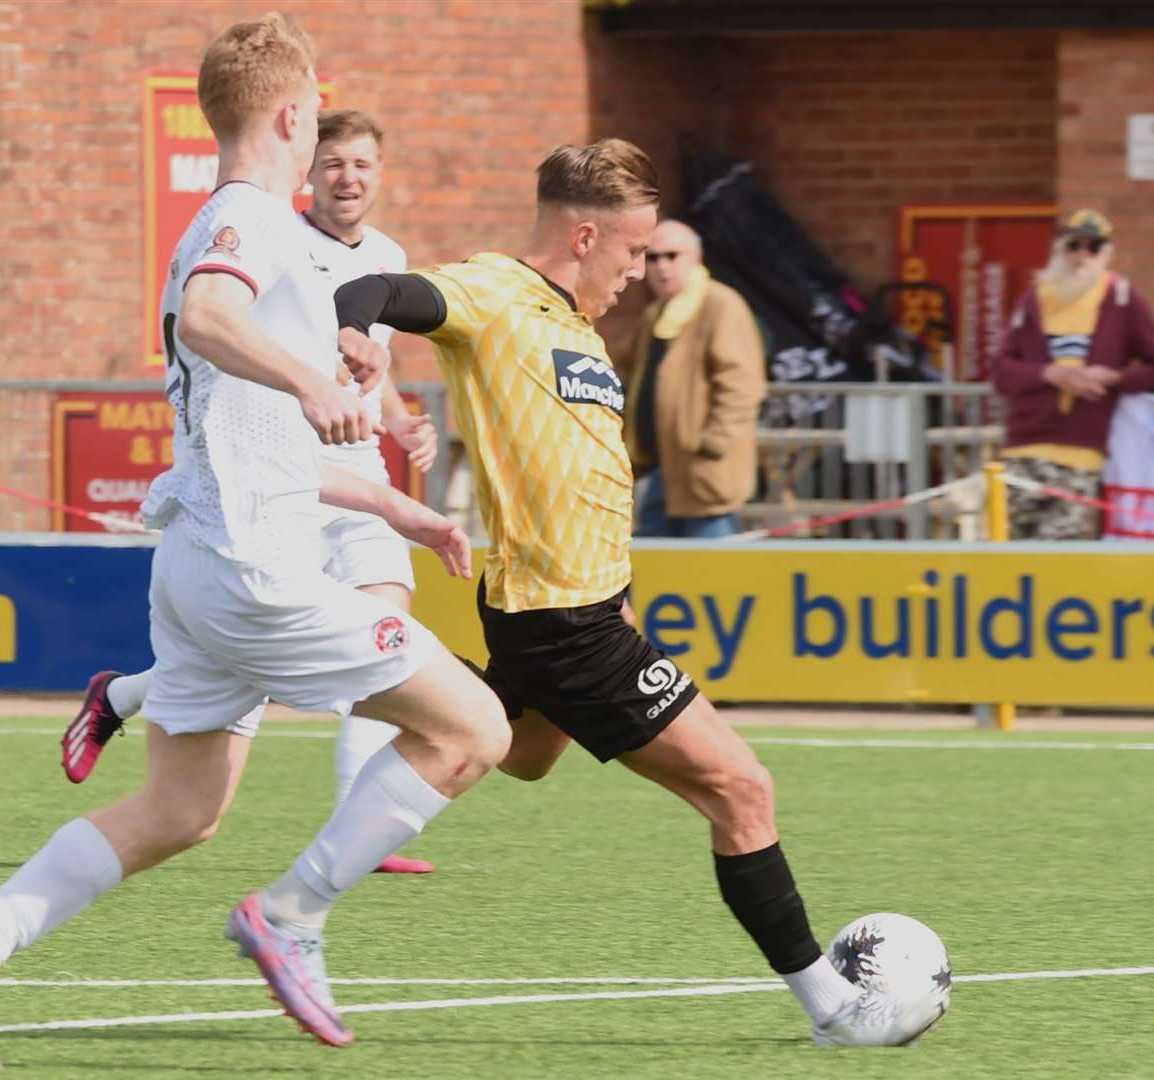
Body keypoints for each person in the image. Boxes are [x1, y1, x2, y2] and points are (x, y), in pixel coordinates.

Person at [0, 15, 507, 1068]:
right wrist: (317, 380)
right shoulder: (250, 220)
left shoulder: (247, 227)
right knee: (472, 732)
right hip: (252, 573)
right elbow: (203, 319)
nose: (319, 130)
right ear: (288, 113)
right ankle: (291, 914)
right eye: (315, 111)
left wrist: (391, 506)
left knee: (180, 810)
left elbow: (246, 428)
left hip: (200, 562)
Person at [333, 138, 944, 1046]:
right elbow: (373, 293)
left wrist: (621, 593)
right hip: (562, 623)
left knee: (521, 753)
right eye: (630, 252)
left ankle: (326, 656)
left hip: (576, 610)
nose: (636, 271)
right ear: (583, 237)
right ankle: (833, 1009)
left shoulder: (577, 328)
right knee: (740, 790)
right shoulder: (493, 292)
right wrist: (357, 340)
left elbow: (585, 481)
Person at [60, 109, 442, 875]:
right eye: (333, 162)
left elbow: (374, 363)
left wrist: (398, 424)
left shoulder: (390, 255)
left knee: (385, 618)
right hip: (278, 467)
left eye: (362, 164)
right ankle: (124, 696)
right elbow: (218, 324)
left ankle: (356, 824)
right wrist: (310, 376)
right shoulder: (266, 232)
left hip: (355, 465)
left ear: (379, 172)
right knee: (254, 678)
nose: (347, 177)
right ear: (308, 164)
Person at [991, 209, 1154, 540]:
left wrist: (1114, 379)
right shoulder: (1034, 298)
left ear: (1106, 252)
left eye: (1093, 247)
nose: (1082, 255)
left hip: (1080, 455)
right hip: (1023, 449)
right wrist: (1050, 374)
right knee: (1010, 556)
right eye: (1074, 245)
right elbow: (1001, 371)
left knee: (1061, 558)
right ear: (1059, 248)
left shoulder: (1121, 298)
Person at [616, 219, 764, 538]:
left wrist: (712, 443)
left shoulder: (720, 305)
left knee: (712, 574)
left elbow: (741, 385)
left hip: (703, 472)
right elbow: (627, 372)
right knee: (653, 570)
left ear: (696, 259)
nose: (662, 267)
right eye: (652, 257)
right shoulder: (655, 314)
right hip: (660, 467)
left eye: (672, 256)